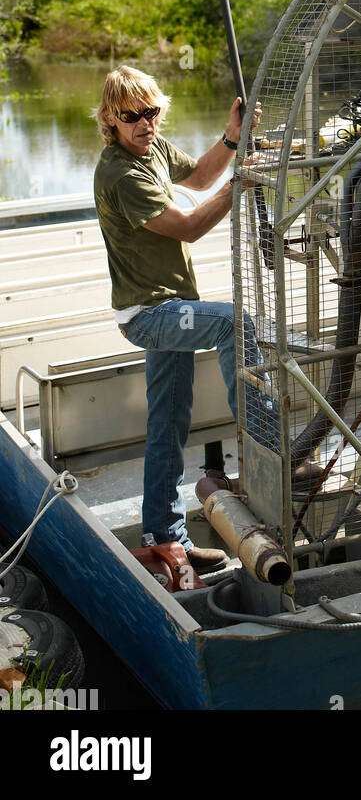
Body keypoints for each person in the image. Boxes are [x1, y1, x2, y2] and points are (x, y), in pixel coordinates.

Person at [92, 65, 263, 571]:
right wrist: (241, 187)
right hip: (151, 314)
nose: (145, 123)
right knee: (236, 322)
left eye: (151, 112)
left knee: (168, 422)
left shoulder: (154, 149)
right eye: (132, 115)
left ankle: (166, 540)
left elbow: (202, 176)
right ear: (110, 119)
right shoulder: (120, 174)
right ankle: (265, 446)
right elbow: (188, 227)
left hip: (172, 307)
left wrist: (231, 140)